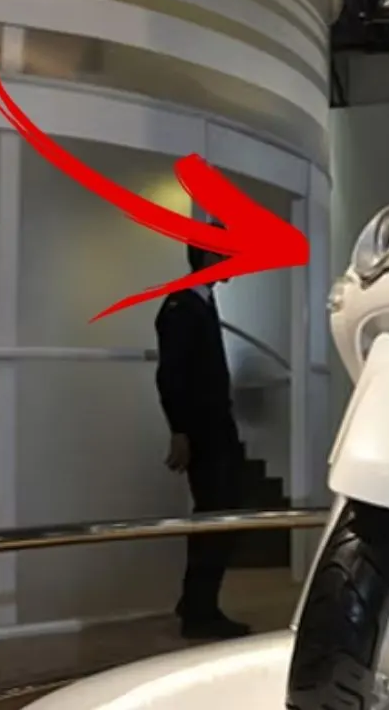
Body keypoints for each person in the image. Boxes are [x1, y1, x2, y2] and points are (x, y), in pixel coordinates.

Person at [155, 236, 252, 640]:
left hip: (216, 426)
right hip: (202, 430)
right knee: (216, 516)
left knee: (222, 512)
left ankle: (195, 601)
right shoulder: (182, 305)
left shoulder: (201, 301)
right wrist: (179, 430)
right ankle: (200, 611)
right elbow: (170, 373)